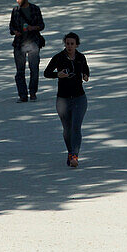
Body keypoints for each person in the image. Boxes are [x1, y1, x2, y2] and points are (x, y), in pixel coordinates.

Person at [44, 32, 90, 167]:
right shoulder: (58, 57)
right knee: (67, 129)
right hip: (63, 99)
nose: (69, 46)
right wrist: (58, 75)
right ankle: (70, 152)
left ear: (76, 45)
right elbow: (47, 73)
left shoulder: (81, 57)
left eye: (72, 44)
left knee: (76, 127)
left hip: (79, 98)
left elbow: (86, 70)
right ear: (65, 44)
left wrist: (85, 75)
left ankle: (75, 155)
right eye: (67, 43)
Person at [9, 0, 46, 102]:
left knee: (34, 69)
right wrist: (15, 31)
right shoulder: (15, 11)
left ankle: (33, 92)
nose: (17, 0)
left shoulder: (35, 9)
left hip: (33, 42)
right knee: (20, 71)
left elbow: (41, 25)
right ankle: (22, 95)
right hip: (19, 44)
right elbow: (11, 27)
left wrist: (32, 28)